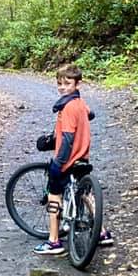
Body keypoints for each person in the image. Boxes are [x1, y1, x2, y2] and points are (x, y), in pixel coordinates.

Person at [33, 63, 113, 255]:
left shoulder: (68, 108)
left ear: (78, 84)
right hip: (83, 157)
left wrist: (58, 164)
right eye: (59, 83)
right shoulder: (80, 103)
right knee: (85, 193)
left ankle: (53, 241)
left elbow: (68, 139)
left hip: (68, 159)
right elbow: (90, 114)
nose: (62, 87)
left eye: (67, 83)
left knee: (54, 193)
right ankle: (101, 232)